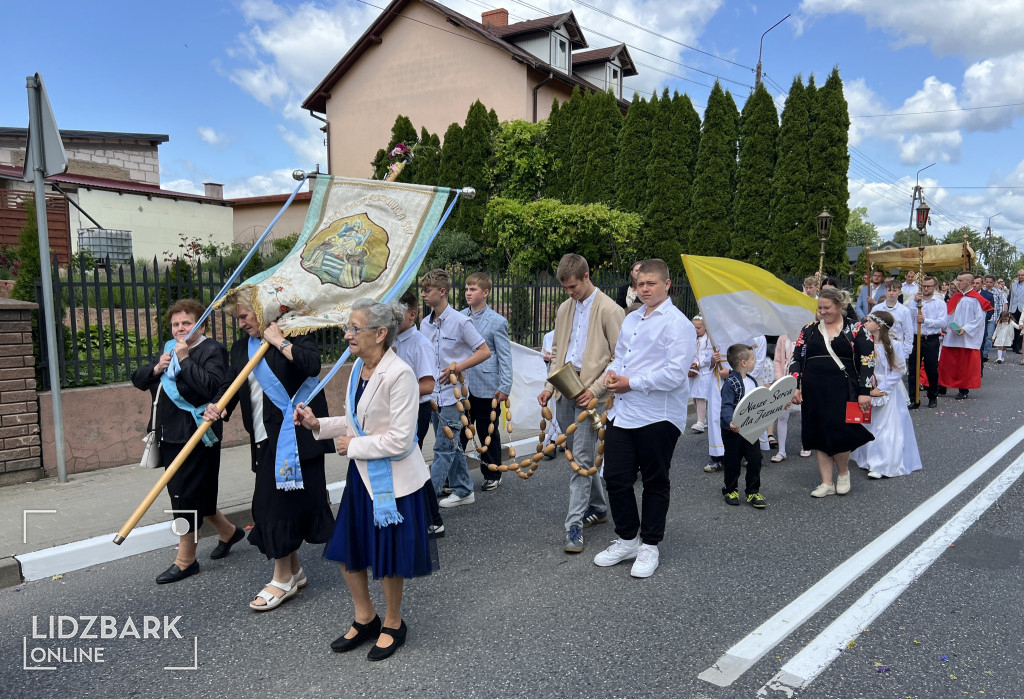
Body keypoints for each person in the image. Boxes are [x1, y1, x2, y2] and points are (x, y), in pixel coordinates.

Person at [294, 298, 438, 661]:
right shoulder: (360, 366)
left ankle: (393, 623)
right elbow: (354, 422)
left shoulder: (400, 374)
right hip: (362, 478)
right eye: (348, 327)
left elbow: (402, 440)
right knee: (349, 550)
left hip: (393, 483)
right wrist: (318, 426)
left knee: (388, 557)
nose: (347, 334)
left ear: (380, 333)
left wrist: (353, 445)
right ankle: (365, 617)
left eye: (354, 328)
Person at [203, 294, 335, 610]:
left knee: (273, 508)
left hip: (297, 439)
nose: (242, 322)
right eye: (238, 318)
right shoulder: (241, 348)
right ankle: (294, 571)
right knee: (274, 507)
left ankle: (282, 579)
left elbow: (312, 365)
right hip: (265, 441)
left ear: (265, 313)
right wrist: (218, 406)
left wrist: (279, 342)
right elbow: (232, 385)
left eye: (246, 316)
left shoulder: (298, 332)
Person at [594, 259, 696, 578]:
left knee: (655, 480)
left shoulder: (678, 324)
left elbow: (676, 374)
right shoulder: (632, 318)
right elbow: (621, 355)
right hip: (624, 411)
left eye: (651, 283)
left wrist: (631, 382)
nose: (645, 289)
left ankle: (650, 545)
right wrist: (614, 373)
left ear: (667, 285)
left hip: (658, 415)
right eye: (640, 284)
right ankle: (628, 539)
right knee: (615, 477)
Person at [132, 299, 241, 584]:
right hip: (168, 434)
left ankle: (186, 560)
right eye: (175, 324)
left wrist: (185, 359)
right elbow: (139, 380)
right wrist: (157, 369)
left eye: (187, 323)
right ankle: (229, 532)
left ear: (201, 324)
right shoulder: (169, 349)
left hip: (197, 434)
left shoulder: (212, 350)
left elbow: (212, 387)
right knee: (195, 494)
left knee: (184, 498)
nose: (180, 329)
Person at [538, 254, 623, 553]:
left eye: (573, 286)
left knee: (581, 461)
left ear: (587, 276)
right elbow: (559, 350)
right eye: (566, 288)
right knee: (577, 454)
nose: (570, 293)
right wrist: (549, 386)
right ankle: (599, 509)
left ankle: (573, 527)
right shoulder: (564, 308)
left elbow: (620, 358)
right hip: (564, 389)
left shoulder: (611, 310)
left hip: (592, 394)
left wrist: (597, 389)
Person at [789, 287, 874, 498]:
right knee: (818, 432)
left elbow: (867, 360)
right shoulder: (808, 329)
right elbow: (796, 358)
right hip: (813, 388)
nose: (822, 312)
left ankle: (843, 473)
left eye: (827, 308)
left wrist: (865, 390)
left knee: (839, 430)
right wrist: (795, 385)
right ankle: (826, 482)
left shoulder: (856, 328)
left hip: (843, 387)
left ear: (840, 307)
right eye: (819, 308)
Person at [419, 269, 491, 509]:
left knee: (442, 448)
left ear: (442, 292)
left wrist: (457, 367)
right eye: (422, 291)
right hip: (434, 396)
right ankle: (463, 489)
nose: (423, 295)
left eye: (427, 291)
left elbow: (484, 351)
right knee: (452, 446)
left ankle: (425, 504)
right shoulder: (424, 324)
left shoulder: (461, 322)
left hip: (454, 396)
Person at [393, 290, 443, 536]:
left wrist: (396, 390)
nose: (391, 319)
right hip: (399, 409)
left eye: (397, 314)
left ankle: (433, 519)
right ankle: (424, 518)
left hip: (416, 409)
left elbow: (428, 385)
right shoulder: (392, 341)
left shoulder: (420, 344)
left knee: (411, 461)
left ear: (412, 315)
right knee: (408, 463)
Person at [852, 311, 922, 479]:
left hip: (886, 388)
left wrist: (882, 387)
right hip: (868, 386)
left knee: (886, 427)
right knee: (869, 423)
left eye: (869, 320)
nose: (865, 323)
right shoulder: (864, 343)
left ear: (879, 325)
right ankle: (868, 459)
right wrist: (866, 387)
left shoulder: (892, 344)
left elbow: (899, 369)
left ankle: (882, 463)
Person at [459, 272, 513, 491]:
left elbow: (505, 356)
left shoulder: (497, 322)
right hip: (463, 385)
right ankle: (453, 475)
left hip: (487, 384)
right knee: (461, 430)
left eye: (473, 289)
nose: (468, 293)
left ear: (486, 292)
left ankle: (493, 471)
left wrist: (505, 385)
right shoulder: (459, 317)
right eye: (466, 289)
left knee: (486, 430)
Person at [719, 344, 767, 509]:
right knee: (733, 461)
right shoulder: (731, 383)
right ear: (743, 363)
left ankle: (753, 491)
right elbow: (726, 406)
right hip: (733, 430)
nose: (755, 361)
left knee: (755, 459)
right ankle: (730, 489)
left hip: (750, 430)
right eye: (752, 358)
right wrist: (729, 422)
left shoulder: (752, 381)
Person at [938, 272, 992, 400]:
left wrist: (965, 328)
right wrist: (946, 326)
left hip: (967, 337)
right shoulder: (955, 297)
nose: (958, 283)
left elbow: (979, 319)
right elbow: (948, 314)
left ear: (969, 282)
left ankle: (963, 389)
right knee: (947, 363)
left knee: (964, 365)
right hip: (952, 334)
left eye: (960, 280)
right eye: (957, 280)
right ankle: (942, 387)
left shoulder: (976, 299)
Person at [906, 275, 947, 408]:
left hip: (931, 339)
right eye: (924, 286)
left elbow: (942, 322)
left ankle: (932, 396)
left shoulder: (940, 303)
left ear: (934, 287)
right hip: (916, 338)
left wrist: (926, 321)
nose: (926, 288)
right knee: (913, 369)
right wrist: (914, 302)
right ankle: (914, 399)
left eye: (929, 286)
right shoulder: (916, 301)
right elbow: (908, 316)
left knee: (931, 369)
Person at [871, 281, 914, 361]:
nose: (891, 293)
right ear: (885, 291)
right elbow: (870, 328)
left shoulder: (904, 311)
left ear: (900, 292)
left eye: (894, 291)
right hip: (879, 347)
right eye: (889, 290)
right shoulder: (876, 308)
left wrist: (906, 352)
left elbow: (908, 332)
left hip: (897, 348)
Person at [770, 332, 796, 463]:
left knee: (805, 415)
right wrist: (780, 380)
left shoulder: (808, 334)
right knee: (782, 415)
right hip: (785, 378)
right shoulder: (783, 337)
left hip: (802, 380)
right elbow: (778, 360)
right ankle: (781, 450)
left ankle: (806, 444)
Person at [688, 316, 713, 433]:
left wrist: (699, 363)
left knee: (700, 395)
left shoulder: (708, 339)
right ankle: (702, 419)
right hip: (693, 370)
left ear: (705, 327)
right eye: (694, 327)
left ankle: (700, 422)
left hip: (703, 371)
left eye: (699, 327)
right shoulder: (692, 338)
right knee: (694, 394)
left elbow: (708, 356)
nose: (696, 330)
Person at [981, 275, 1004, 362]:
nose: (989, 284)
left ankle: (985, 353)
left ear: (994, 283)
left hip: (993, 317)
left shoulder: (998, 292)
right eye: (987, 282)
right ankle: (981, 351)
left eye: (991, 282)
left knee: (989, 336)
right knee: (982, 335)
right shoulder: (982, 292)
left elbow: (1001, 306)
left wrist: (999, 317)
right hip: (983, 317)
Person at [1009, 269, 1024, 353]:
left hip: (1022, 308)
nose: (1020, 277)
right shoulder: (1014, 285)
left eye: (1022, 275)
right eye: (1019, 275)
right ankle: (1013, 345)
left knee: (1021, 327)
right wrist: (1010, 310)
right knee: (1014, 326)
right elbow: (1012, 297)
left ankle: (1018, 347)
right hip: (1014, 308)